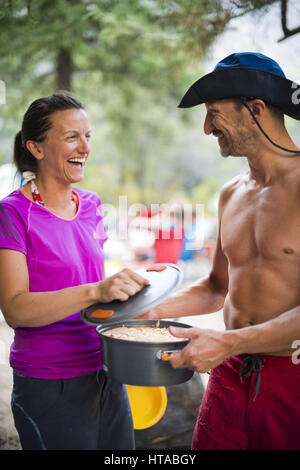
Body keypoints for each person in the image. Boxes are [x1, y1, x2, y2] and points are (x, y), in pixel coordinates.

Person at [143, 52, 300, 450]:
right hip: (230, 375)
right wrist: (148, 311)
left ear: (256, 110)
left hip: (291, 379)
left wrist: (230, 342)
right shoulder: (231, 192)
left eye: (214, 113)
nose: (207, 127)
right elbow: (217, 287)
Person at [0, 92, 150, 450]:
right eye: (71, 137)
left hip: (106, 371)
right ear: (36, 148)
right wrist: (97, 290)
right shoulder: (12, 213)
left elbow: (90, 281)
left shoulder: (92, 205)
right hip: (50, 381)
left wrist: (138, 284)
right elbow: (15, 309)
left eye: (88, 136)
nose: (84, 147)